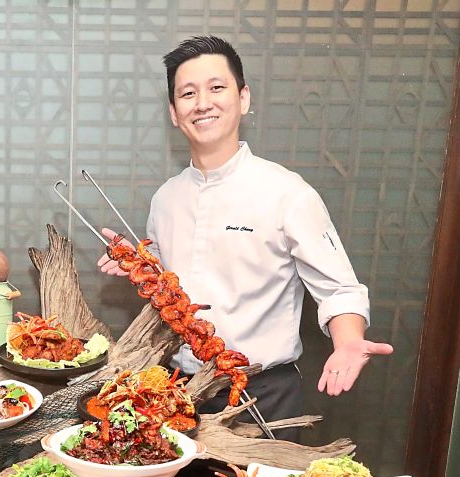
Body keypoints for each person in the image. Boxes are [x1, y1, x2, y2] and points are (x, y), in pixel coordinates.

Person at [98, 36, 392, 423]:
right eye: (188, 93)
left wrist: (349, 342)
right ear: (173, 111)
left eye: (216, 88)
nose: (203, 103)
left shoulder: (287, 193)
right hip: (178, 391)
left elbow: (340, 290)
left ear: (244, 98)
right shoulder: (166, 199)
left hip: (263, 395)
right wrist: (141, 265)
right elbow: (172, 287)